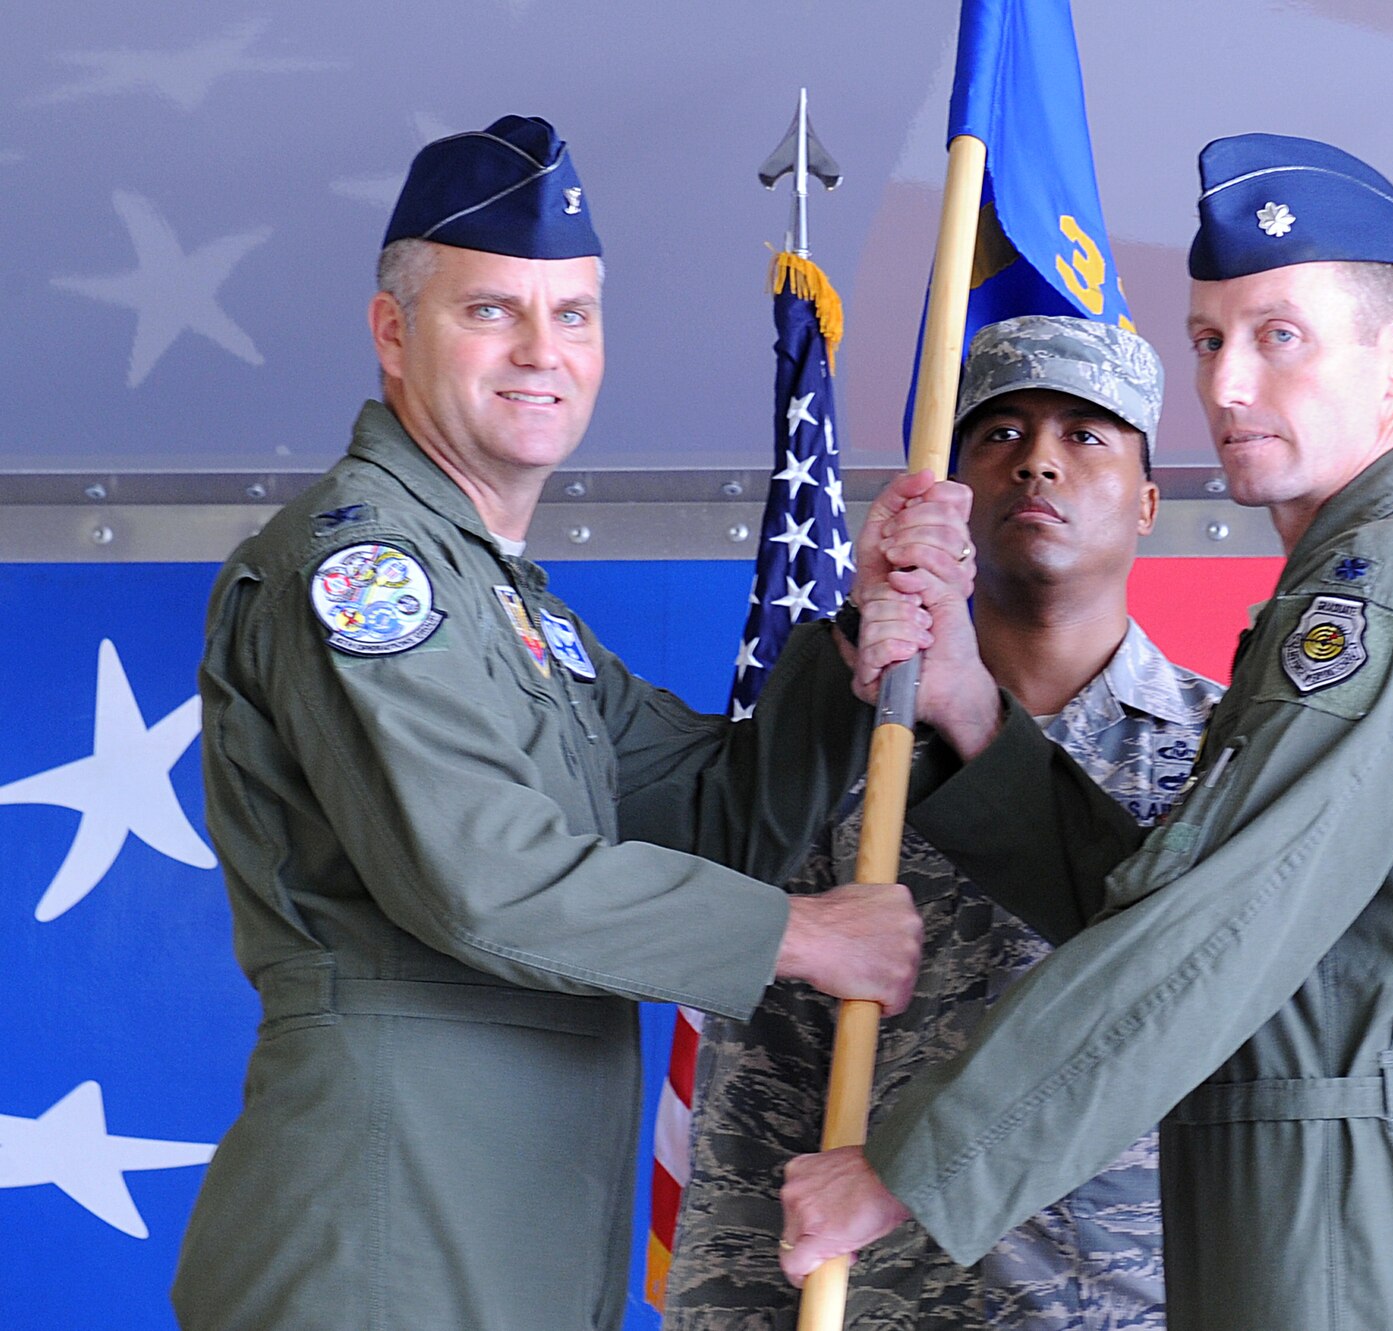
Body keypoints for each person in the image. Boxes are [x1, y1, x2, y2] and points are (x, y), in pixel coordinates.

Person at [777, 133, 1393, 1329]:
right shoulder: (1353, 587)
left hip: (1356, 1230)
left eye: (1279, 336)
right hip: (1311, 1205)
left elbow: (1218, 926)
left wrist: (909, 1168)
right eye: (1209, 340)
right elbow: (1195, 902)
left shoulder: (1376, 603)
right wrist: (973, 716)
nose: (1228, 386)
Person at [172, 115, 932, 1331]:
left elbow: (714, 813)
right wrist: (799, 935)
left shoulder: (507, 602)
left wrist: (851, 648)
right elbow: (483, 879)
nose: (542, 351)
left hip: (510, 1224)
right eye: (490, 311)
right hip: (384, 1233)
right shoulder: (365, 574)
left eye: (571, 313)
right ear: (392, 333)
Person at [664, 316, 1220, 1329]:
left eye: (1085, 434)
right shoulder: (850, 758)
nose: (1037, 462)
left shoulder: (1227, 754)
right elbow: (760, 1098)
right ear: (948, 494)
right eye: (998, 434)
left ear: (1148, 502)